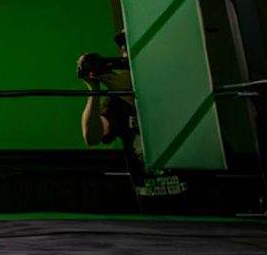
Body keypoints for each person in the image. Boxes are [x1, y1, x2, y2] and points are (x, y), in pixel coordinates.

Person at [81, 30, 190, 210]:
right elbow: (92, 136)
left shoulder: (176, 86)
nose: (126, 51)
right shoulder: (117, 101)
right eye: (124, 47)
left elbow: (151, 109)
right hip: (149, 201)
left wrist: (111, 80)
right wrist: (93, 90)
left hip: (193, 199)